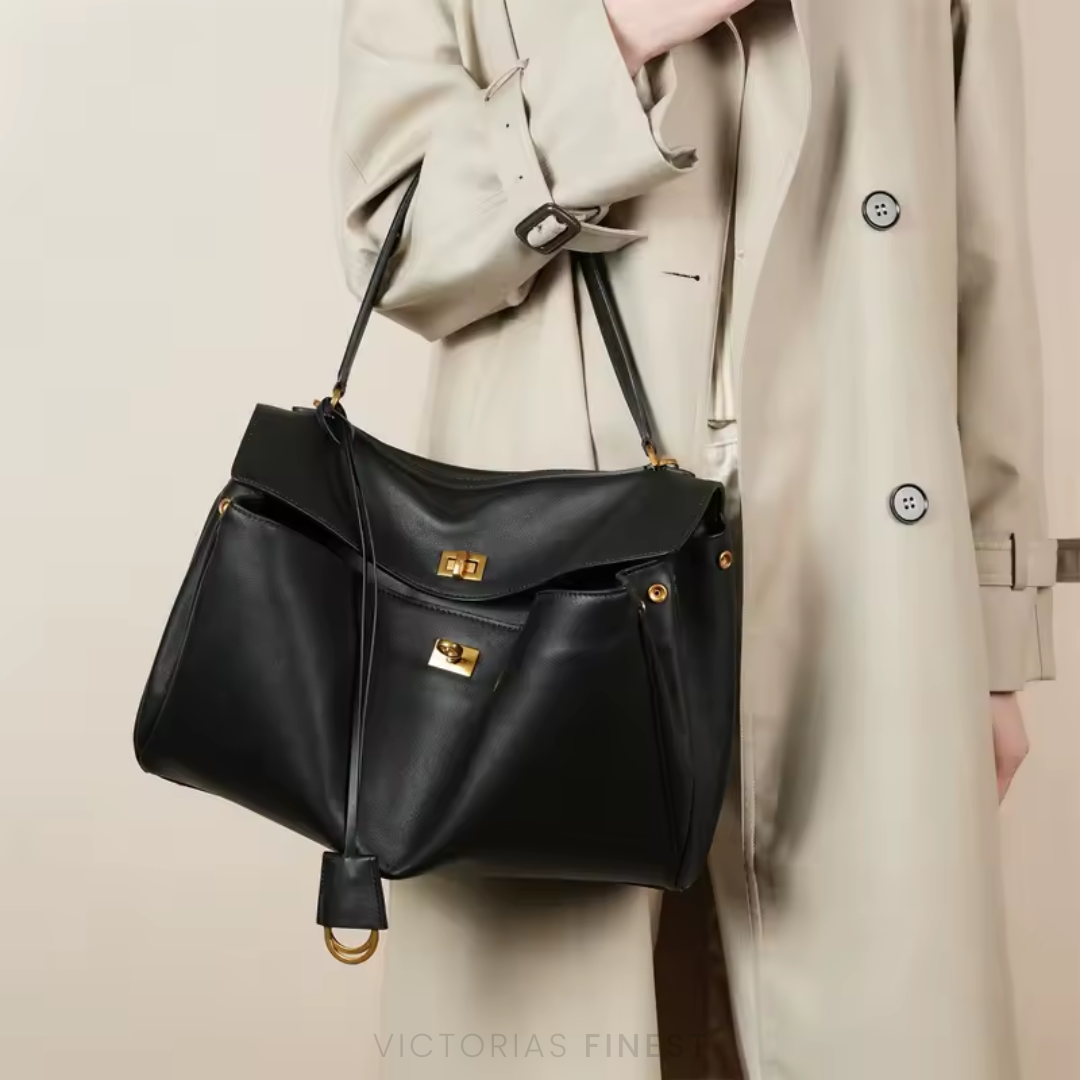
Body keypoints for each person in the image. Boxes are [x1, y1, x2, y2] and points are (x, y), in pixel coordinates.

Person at [332, 1, 1073, 1077]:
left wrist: (998, 641)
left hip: (866, 576)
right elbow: (395, 253)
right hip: (545, 587)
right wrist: (621, 37)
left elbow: (983, 266)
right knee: (555, 1026)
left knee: (873, 1025)